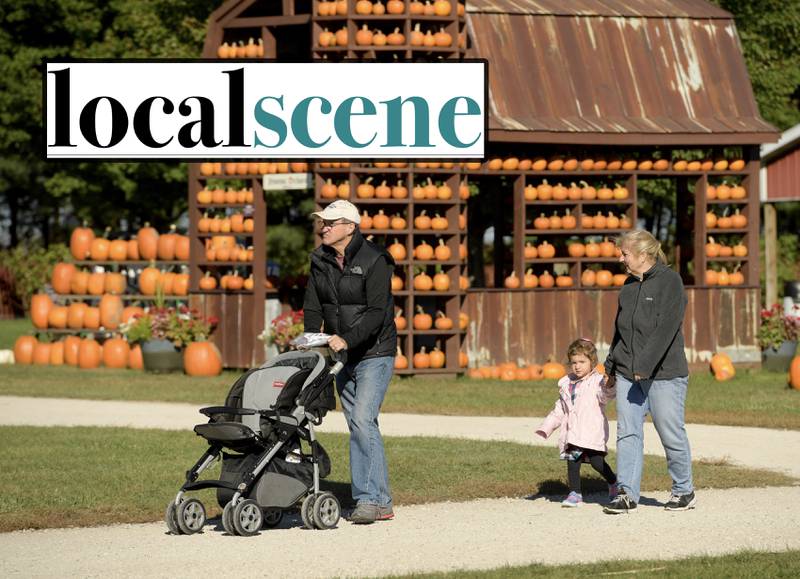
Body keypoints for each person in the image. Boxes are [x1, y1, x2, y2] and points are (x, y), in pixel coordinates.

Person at [302, 199, 396, 524]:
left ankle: (368, 499)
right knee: (360, 422)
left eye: (330, 223)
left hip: (375, 352)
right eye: (322, 223)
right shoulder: (320, 260)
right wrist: (311, 339)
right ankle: (381, 502)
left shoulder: (376, 260)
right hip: (342, 355)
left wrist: (347, 339)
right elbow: (313, 306)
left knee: (362, 420)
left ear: (349, 227)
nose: (323, 227)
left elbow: (377, 313)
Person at [603, 229, 695, 514]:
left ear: (643, 255)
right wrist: (610, 366)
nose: (620, 258)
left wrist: (644, 365)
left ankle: (684, 490)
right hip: (630, 374)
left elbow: (666, 330)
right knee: (627, 433)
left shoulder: (670, 282)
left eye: (625, 253)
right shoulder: (628, 286)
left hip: (665, 374)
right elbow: (620, 331)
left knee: (670, 432)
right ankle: (627, 494)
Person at [536, 338, 617, 507]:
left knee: (597, 462)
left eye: (582, 361)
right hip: (572, 433)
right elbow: (560, 409)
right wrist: (546, 427)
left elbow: (605, 396)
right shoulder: (566, 384)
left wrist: (609, 385)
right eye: (574, 362)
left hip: (591, 431)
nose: (577, 366)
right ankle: (575, 493)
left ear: (592, 362)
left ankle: (613, 482)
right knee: (573, 461)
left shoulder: (597, 382)